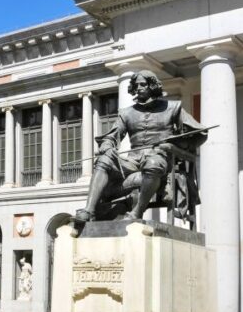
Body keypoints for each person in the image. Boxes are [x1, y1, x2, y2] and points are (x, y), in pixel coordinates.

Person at [74, 70, 207, 224]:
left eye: (143, 84)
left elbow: (201, 133)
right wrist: (107, 145)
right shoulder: (127, 113)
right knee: (104, 159)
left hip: (160, 158)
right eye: (136, 85)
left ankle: (137, 211)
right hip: (133, 161)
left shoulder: (173, 107)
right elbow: (111, 136)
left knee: (153, 164)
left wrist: (177, 146)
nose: (138, 88)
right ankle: (89, 211)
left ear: (152, 86)